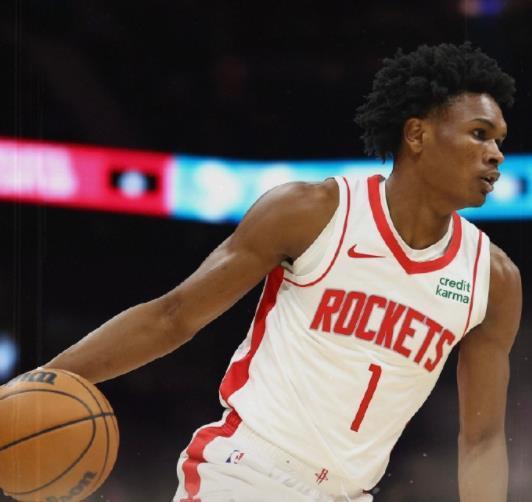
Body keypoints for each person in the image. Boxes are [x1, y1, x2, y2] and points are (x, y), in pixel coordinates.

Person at [40, 43, 520, 501]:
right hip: (245, 471)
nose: (496, 153)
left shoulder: (493, 279)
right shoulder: (314, 212)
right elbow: (173, 316)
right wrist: (42, 380)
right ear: (416, 134)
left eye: (499, 140)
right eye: (480, 133)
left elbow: (481, 442)